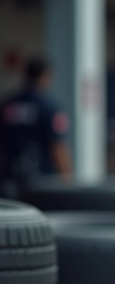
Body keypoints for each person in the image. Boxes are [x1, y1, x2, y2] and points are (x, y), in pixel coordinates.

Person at [0, 57, 71, 196]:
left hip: (8, 181)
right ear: (45, 76)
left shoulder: (6, 105)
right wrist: (68, 184)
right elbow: (58, 147)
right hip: (41, 183)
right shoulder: (50, 107)